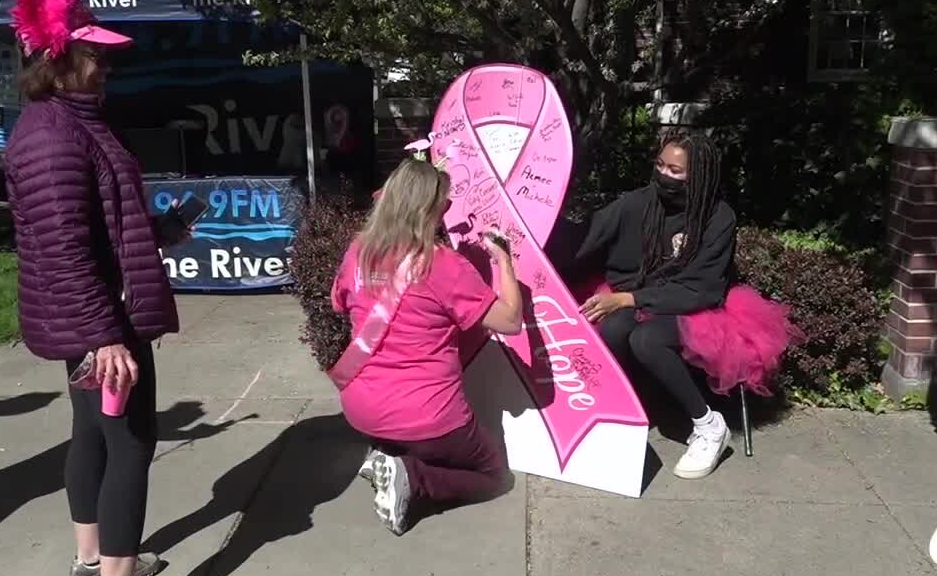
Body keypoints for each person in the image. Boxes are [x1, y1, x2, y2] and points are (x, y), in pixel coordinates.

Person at [4, 0, 192, 576]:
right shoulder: (53, 137)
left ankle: (91, 561)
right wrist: (104, 335)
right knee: (131, 444)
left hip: (90, 316)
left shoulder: (74, 123)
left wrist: (160, 229)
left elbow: (97, 224)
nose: (105, 68)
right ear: (58, 59)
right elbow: (64, 248)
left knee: (92, 434)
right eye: (94, 57)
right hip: (98, 321)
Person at [571, 131, 798, 480]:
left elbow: (702, 288)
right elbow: (584, 237)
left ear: (700, 175)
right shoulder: (636, 203)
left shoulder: (718, 217)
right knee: (614, 328)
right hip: (636, 294)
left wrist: (630, 299)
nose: (665, 176)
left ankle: (708, 425)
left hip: (694, 304)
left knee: (647, 339)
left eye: (677, 171)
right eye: (660, 165)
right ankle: (629, 410)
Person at [329, 155, 523, 535]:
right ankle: (415, 479)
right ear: (431, 209)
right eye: (444, 206)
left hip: (362, 411)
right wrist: (503, 259)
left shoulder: (357, 252)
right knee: (496, 477)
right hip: (431, 419)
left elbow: (339, 302)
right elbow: (510, 321)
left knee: (412, 439)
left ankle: (391, 457)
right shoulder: (444, 264)